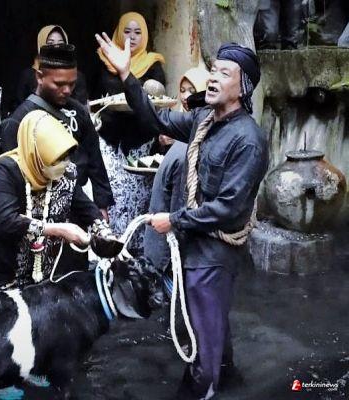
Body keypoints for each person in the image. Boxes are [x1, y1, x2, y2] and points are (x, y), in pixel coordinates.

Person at [96, 35, 269, 399]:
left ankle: (202, 387)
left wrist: (173, 220)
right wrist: (127, 75)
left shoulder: (248, 139)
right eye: (213, 70)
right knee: (209, 323)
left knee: (201, 338)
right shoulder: (203, 119)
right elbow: (154, 119)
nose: (213, 78)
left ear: (243, 87)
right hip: (194, 245)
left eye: (224, 73)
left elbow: (228, 208)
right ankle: (230, 380)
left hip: (215, 253)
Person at [0, 110, 108, 292]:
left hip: (20, 261)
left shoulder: (65, 173)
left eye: (66, 157)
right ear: (37, 154)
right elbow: (8, 219)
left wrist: (102, 230)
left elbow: (84, 205)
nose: (63, 164)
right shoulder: (4, 173)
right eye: (56, 159)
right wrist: (59, 230)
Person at [1, 43, 113, 219]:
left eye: (72, 84)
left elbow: (95, 159)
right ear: (40, 77)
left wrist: (102, 204)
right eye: (59, 84)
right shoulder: (20, 119)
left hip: (79, 205)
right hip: (39, 210)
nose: (67, 90)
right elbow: (11, 176)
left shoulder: (78, 112)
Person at [95, 11, 166, 256]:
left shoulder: (153, 65)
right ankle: (108, 249)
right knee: (111, 196)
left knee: (137, 199)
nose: (132, 37)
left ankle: (134, 252)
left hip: (140, 142)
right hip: (108, 139)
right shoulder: (103, 60)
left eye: (137, 32)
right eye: (127, 31)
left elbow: (156, 102)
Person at [144, 67, 209, 283]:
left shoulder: (189, 145)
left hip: (164, 249)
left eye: (192, 91)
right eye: (182, 90)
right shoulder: (186, 142)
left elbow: (180, 203)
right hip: (163, 248)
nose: (186, 96)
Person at [15, 25, 88, 108]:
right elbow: (19, 106)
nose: (56, 47)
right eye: (50, 43)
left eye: (61, 43)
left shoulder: (76, 76)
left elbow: (82, 107)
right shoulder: (27, 76)